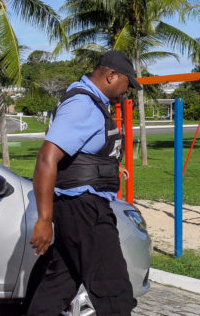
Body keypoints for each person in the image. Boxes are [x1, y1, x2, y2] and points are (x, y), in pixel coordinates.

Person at [27, 50, 142, 315]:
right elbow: (47, 158)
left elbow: (81, 155)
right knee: (114, 290)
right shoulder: (84, 104)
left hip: (76, 209)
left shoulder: (89, 102)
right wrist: (44, 220)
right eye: (127, 84)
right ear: (111, 75)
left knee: (59, 284)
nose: (127, 91)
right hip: (85, 211)